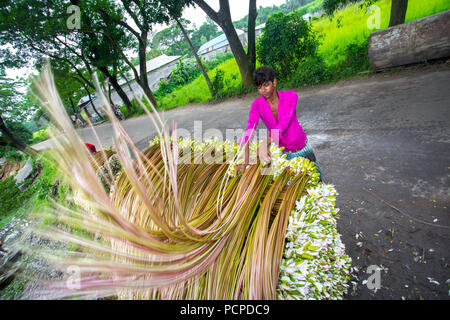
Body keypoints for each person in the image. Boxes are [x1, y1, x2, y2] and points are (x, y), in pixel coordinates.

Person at [235, 66, 322, 180]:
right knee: (293, 185)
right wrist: (244, 158)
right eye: (259, 87)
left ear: (274, 82)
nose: (263, 90)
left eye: (266, 85)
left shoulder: (291, 96)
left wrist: (264, 143)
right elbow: (250, 128)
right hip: (283, 152)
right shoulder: (257, 105)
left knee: (316, 179)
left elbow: (283, 124)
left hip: (302, 148)